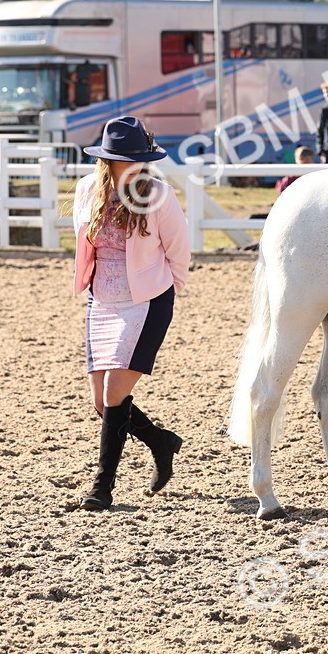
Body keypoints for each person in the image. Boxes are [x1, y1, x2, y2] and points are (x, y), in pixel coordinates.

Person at [73, 116, 191, 511]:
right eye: (125, 158)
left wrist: (165, 291)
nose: (134, 164)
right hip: (102, 301)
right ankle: (161, 442)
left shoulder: (159, 195)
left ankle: (102, 487)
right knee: (102, 402)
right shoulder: (88, 190)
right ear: (108, 160)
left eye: (138, 157)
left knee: (114, 393)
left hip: (148, 301)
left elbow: (178, 249)